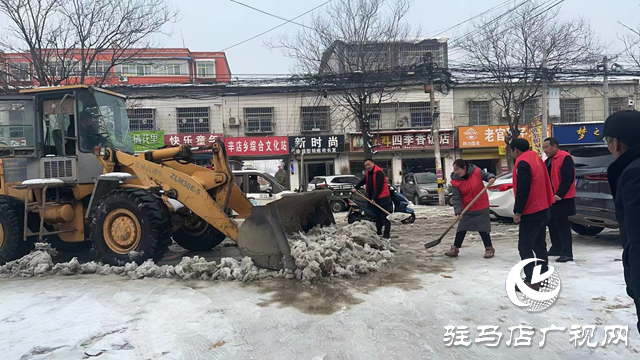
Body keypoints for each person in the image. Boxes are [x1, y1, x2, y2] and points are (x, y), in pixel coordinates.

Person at [596, 110, 640, 333]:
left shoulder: (634, 174)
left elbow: (637, 236)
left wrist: (635, 283)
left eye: (606, 141)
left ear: (616, 143)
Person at [510, 138, 555, 291]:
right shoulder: (536, 158)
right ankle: (542, 277)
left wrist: (518, 211)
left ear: (516, 150)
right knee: (539, 245)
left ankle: (531, 280)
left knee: (525, 247)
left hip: (532, 210)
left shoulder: (522, 162)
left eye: (512, 151)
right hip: (544, 207)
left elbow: (523, 189)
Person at [445, 159, 497, 258]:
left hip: (482, 206)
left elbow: (487, 175)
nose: (456, 172)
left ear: (464, 168)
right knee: (461, 229)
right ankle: (455, 248)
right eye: (454, 170)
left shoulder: (476, 171)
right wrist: (458, 212)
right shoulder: (455, 181)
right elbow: (457, 198)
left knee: (483, 229)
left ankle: (489, 249)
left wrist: (491, 178)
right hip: (467, 208)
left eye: (457, 169)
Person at [543, 137, 577, 263]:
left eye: (547, 147)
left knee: (562, 225)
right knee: (551, 223)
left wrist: (559, 194)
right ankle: (556, 247)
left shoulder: (565, 157)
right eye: (544, 148)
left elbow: (568, 178)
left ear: (555, 146)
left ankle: (567, 253)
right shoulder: (548, 161)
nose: (545, 150)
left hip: (563, 198)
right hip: (551, 198)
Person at [352, 158, 392, 239]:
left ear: (373, 163)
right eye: (366, 165)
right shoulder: (368, 173)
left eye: (368, 164)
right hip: (374, 199)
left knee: (385, 217)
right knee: (377, 217)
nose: (367, 166)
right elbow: (363, 181)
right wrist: (356, 187)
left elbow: (379, 187)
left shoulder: (379, 173)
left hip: (383, 199)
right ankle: (378, 231)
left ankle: (387, 234)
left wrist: (374, 198)